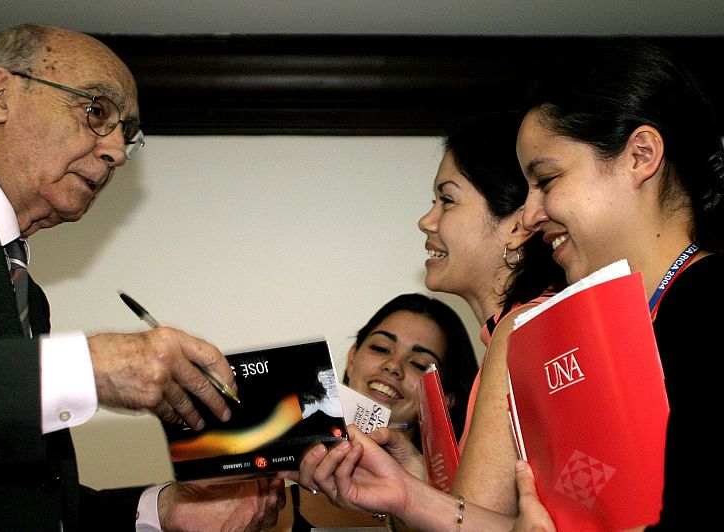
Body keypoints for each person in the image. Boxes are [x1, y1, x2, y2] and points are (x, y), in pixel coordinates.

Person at [0, 24, 282, 531]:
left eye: (127, 132)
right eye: (96, 111)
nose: (115, 149)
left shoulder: (25, 292)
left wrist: (164, 511)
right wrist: (85, 367)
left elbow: (9, 504)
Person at [289, 112, 566, 530]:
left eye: (447, 200)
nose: (427, 220)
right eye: (380, 347)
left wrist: (407, 492)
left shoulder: (523, 328)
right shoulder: (521, 328)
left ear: (517, 225)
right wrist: (414, 481)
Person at [516, 39, 724, 530]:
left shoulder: (711, 309)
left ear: (641, 155)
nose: (528, 215)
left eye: (546, 179)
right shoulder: (624, 328)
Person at [283, 292, 477, 530]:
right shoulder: (275, 501)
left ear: (444, 400)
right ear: (352, 358)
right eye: (381, 348)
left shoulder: (467, 504)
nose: (394, 366)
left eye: (418, 364)